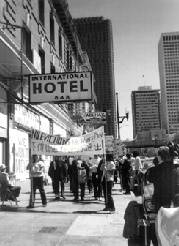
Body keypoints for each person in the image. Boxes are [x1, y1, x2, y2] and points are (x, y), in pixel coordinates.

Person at [147, 146, 173, 212]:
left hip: (159, 199)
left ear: (159, 156)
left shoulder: (154, 170)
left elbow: (150, 179)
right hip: (173, 198)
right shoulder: (175, 168)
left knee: (161, 219)